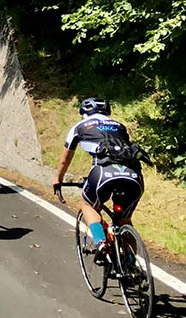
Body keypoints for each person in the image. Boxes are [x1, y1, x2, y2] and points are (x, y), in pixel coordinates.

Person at [53, 98, 147, 260]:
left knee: (88, 205)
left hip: (103, 172)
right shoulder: (119, 125)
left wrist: (58, 179)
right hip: (133, 174)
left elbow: (64, 160)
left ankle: (101, 242)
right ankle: (131, 262)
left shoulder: (79, 127)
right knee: (124, 219)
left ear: (84, 113)